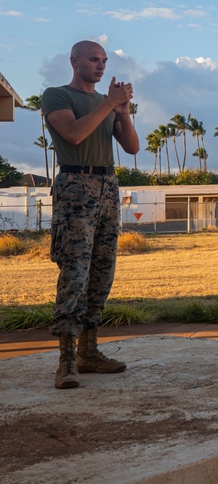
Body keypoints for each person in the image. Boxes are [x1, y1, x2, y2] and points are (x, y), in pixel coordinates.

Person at [42, 40, 139, 389]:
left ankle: (89, 351)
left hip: (107, 186)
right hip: (75, 186)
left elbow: (131, 147)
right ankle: (66, 358)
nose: (100, 66)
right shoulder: (57, 95)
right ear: (74, 61)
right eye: (93, 60)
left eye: (104, 61)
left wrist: (122, 112)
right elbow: (74, 134)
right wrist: (109, 104)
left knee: (102, 268)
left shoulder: (106, 103)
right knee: (75, 269)